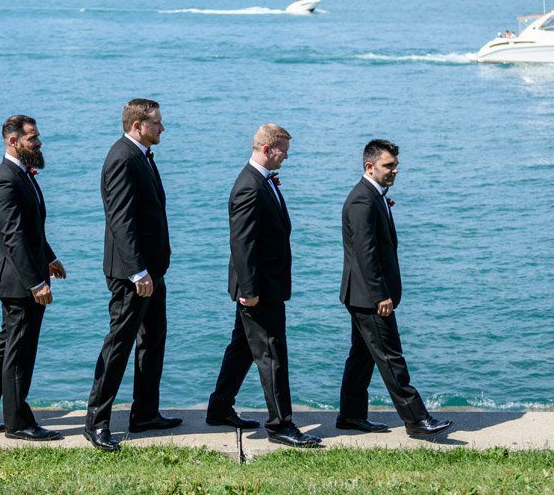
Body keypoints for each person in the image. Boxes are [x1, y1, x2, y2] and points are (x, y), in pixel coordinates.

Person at [206, 124, 322, 448]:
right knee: (271, 354)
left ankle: (219, 407)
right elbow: (241, 243)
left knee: (242, 349)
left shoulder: (262, 181)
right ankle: (280, 425)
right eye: (284, 149)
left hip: (264, 284)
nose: (287, 155)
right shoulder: (249, 186)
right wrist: (250, 290)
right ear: (267, 149)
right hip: (259, 289)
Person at [0, 115, 66, 441]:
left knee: (7, 343)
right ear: (13, 141)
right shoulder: (4, 180)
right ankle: (18, 422)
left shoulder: (23, 176)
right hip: (19, 282)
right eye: (33, 138)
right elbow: (13, 237)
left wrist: (49, 257)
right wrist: (36, 282)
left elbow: (31, 228)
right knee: (19, 352)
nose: (39, 143)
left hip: (27, 274)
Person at [83, 98, 180, 451]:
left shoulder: (140, 155)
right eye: (156, 123)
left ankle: (145, 413)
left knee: (153, 339)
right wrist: (138, 271)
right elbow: (121, 221)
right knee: (119, 345)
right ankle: (96, 421)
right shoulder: (122, 158)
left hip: (151, 271)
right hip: (132, 274)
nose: (162, 128)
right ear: (137, 125)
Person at [337, 139, 451, 437]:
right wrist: (380, 295)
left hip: (362, 294)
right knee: (391, 357)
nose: (395, 171)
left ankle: (350, 415)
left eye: (396, 165)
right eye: (389, 165)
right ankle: (416, 418)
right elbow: (366, 253)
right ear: (369, 166)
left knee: (361, 358)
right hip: (369, 297)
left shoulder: (373, 196)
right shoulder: (363, 200)